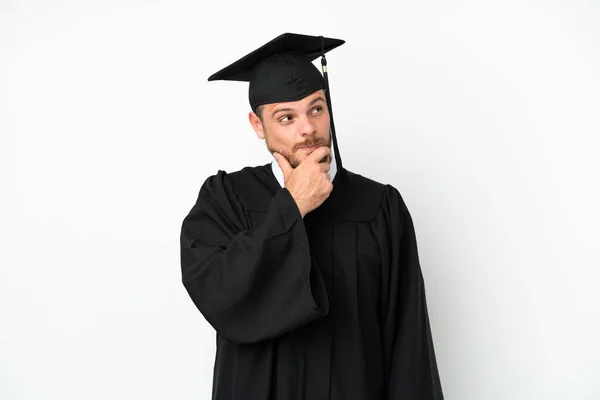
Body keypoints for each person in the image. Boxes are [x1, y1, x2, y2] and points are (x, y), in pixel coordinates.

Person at [180, 32, 444, 399]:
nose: (308, 128)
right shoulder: (225, 199)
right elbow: (219, 297)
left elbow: (408, 342)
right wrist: (293, 205)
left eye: (316, 109)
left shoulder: (380, 206)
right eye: (286, 117)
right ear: (259, 126)